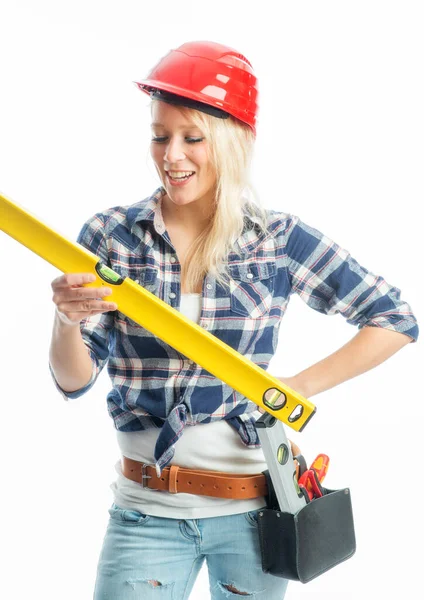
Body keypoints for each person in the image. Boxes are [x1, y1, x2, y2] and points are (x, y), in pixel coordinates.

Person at [48, 41, 419, 599]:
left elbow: (394, 318)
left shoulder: (278, 240)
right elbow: (73, 381)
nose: (172, 154)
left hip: (252, 518)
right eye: (159, 135)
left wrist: (290, 388)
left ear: (233, 141)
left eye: (192, 138)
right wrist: (65, 319)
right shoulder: (110, 235)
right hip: (144, 514)